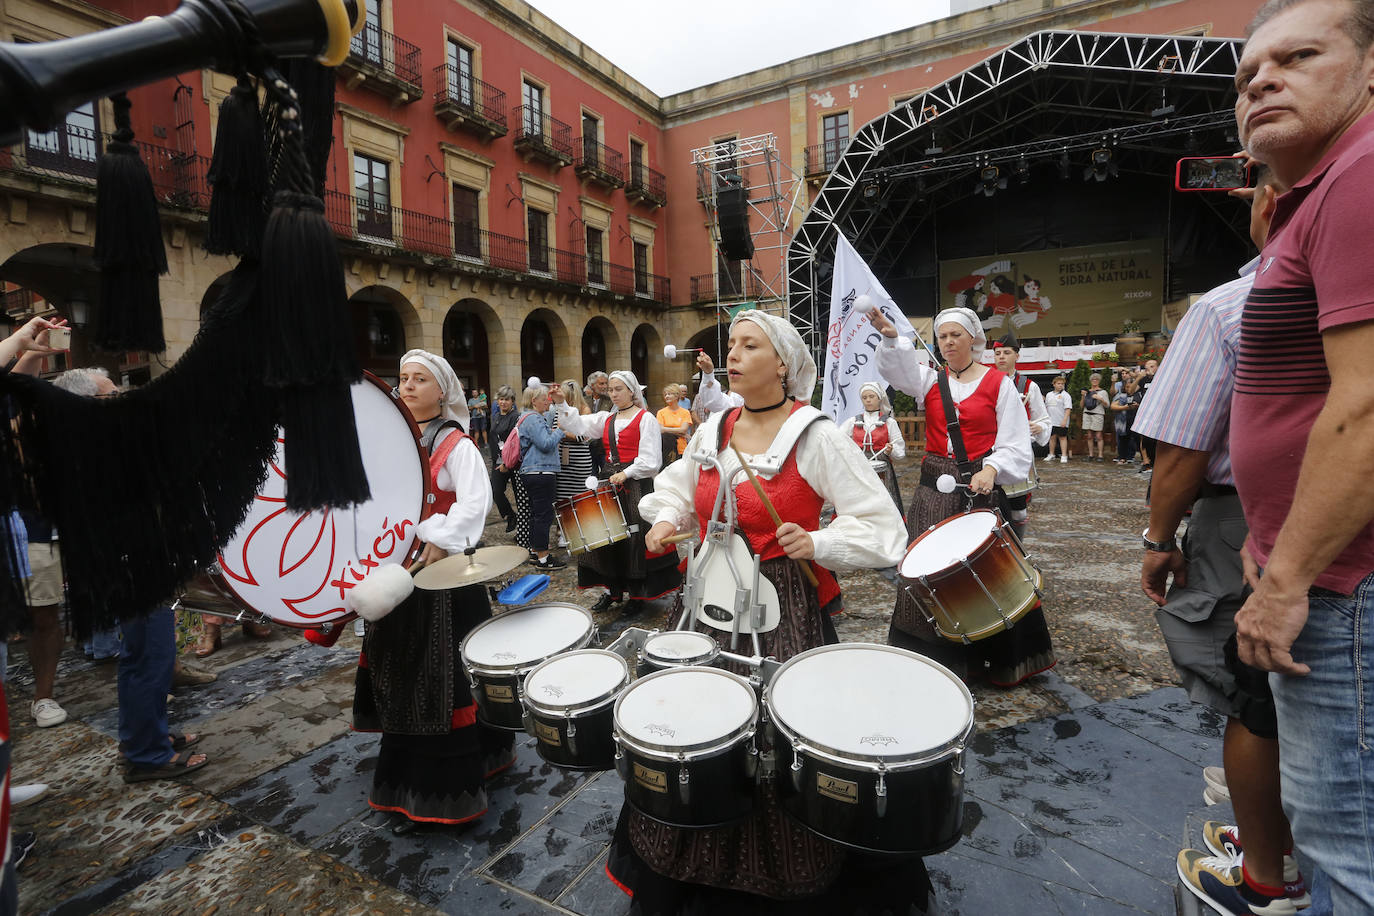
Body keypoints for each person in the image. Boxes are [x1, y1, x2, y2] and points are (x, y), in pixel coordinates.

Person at [613, 309, 920, 914]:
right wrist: (671, 518)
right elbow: (678, 483)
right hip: (708, 602)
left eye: (749, 346)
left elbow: (885, 528)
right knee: (703, 730)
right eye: (732, 345)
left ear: (782, 363)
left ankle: (782, 862)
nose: (734, 354)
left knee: (777, 735)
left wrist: (822, 542)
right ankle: (694, 852)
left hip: (784, 614)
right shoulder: (715, 427)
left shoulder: (816, 434)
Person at [1229, 0, 1374, 907]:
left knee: (1348, 842)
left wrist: (1287, 583)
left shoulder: (1362, 178)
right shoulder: (1323, 195)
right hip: (1327, 573)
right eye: (1246, 76)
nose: (1262, 82)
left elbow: (1366, 409)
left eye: (1298, 56)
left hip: (1345, 592)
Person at [1137, 167, 1312, 916]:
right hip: (1324, 513)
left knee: (1257, 693)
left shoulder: (1229, 306)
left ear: (1267, 202)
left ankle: (1268, 871)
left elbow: (1180, 450)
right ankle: (1289, 837)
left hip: (1250, 518)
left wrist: (1156, 535)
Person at [352, 350, 514, 834]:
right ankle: (406, 778)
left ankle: (441, 794)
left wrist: (439, 540)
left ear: (442, 391)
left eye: (420, 379)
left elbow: (476, 505)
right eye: (402, 378)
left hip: (442, 585)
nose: (408, 386)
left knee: (439, 689)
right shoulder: (393, 441)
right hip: (400, 578)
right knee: (401, 681)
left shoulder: (456, 445)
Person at [871, 305, 1055, 686]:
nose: (949, 342)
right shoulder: (928, 380)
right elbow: (897, 371)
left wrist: (992, 469)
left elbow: (1016, 443)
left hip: (980, 490)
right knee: (927, 572)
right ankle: (930, 660)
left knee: (990, 571)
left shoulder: (998, 384)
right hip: (933, 489)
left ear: (974, 339)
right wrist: (891, 337)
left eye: (956, 334)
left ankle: (997, 662)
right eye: (942, 336)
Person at [553, 371, 678, 613]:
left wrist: (627, 473)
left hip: (636, 486)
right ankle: (612, 591)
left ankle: (636, 596)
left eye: (618, 389)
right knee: (606, 537)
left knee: (633, 539)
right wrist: (561, 402)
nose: (613, 393)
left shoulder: (645, 419)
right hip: (608, 483)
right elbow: (577, 425)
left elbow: (651, 460)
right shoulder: (606, 418)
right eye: (611, 389)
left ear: (632, 390)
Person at [991, 332, 1049, 540]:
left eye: (1007, 352)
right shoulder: (986, 382)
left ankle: (1018, 545)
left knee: (1018, 507)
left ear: (1017, 356)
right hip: (989, 452)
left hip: (1016, 453)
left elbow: (1043, 419)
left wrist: (1039, 428)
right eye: (997, 353)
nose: (1001, 357)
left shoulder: (1028, 386)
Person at [519, 383, 569, 571]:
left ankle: (535, 551)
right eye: (544, 399)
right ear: (534, 401)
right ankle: (543, 558)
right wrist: (560, 430)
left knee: (537, 514)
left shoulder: (529, 417)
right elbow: (546, 444)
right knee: (543, 515)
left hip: (534, 470)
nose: (548, 402)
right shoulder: (533, 418)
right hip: (540, 471)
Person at [836, 381, 905, 515]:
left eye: (871, 396)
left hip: (882, 471)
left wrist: (891, 450)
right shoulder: (853, 422)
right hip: (858, 467)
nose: (868, 400)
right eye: (865, 397)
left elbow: (900, 451)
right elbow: (837, 440)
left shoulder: (889, 423)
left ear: (879, 398)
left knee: (883, 501)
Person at [553, 381, 596, 548]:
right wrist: (561, 433)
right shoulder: (559, 410)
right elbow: (555, 428)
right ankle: (563, 531)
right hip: (562, 459)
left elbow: (583, 437)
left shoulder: (584, 410)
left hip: (579, 461)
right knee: (562, 496)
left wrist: (562, 433)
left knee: (579, 496)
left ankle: (579, 530)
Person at [488, 386, 519, 533]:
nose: (503, 402)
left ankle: (523, 533)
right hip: (497, 461)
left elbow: (514, 442)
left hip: (513, 462)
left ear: (512, 401)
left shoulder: (515, 417)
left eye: (507, 399)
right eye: (501, 399)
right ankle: (510, 515)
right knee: (495, 491)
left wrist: (507, 463)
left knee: (520, 498)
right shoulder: (495, 416)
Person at [655, 384, 692, 463]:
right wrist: (678, 432)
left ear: (676, 396)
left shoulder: (685, 412)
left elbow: (684, 430)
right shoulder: (661, 412)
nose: (666, 396)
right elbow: (660, 430)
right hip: (665, 449)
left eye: (669, 394)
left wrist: (666, 429)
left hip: (681, 449)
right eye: (665, 395)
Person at [1079, 373, 1108, 460]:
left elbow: (1107, 405)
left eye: (1096, 379)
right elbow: (1081, 406)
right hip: (1087, 414)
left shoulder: (1103, 392)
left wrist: (1101, 399)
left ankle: (1100, 455)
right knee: (1089, 436)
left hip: (1097, 414)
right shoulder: (1087, 392)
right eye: (1093, 379)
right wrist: (1083, 396)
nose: (1094, 381)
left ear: (1099, 381)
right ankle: (1091, 455)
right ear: (1090, 381)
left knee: (1099, 436)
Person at [1044, 375, 1072, 463]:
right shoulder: (1049, 395)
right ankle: (1051, 454)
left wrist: (1064, 420)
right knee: (1052, 438)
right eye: (1059, 383)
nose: (1060, 385)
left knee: (1062, 438)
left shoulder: (1066, 395)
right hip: (1051, 421)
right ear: (1054, 384)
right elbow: (1046, 406)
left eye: (1062, 384)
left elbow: (1068, 408)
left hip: (1061, 420)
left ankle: (1064, 455)